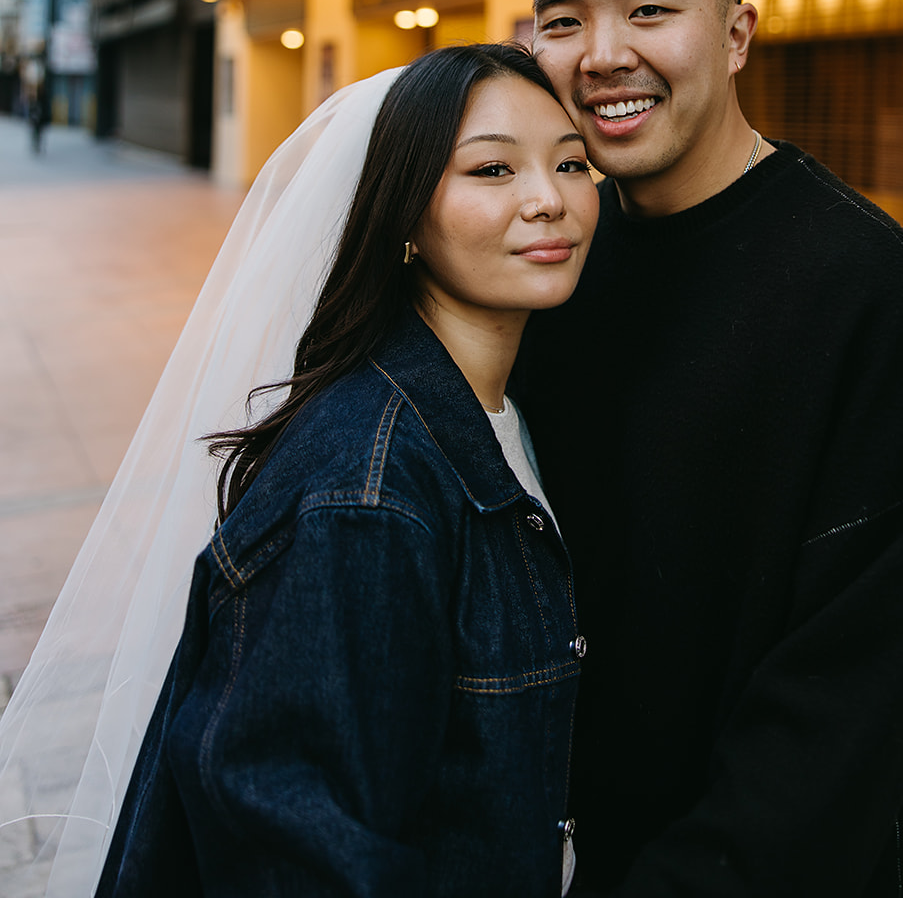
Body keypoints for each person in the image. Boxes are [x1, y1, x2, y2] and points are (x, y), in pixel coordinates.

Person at [0, 46, 598, 898]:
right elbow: (302, 853)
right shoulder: (364, 496)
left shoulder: (503, 406)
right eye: (492, 168)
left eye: (571, 163)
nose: (550, 200)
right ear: (404, 214)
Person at [513, 0, 903, 898]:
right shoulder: (561, 264)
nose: (602, 55)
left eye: (647, 6)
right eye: (561, 19)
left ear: (735, 32)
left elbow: (851, 704)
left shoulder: (870, 296)